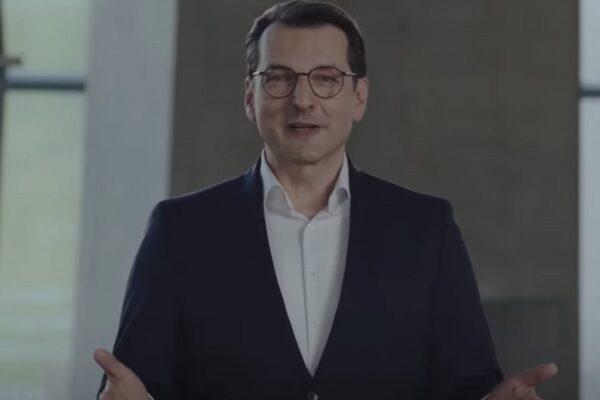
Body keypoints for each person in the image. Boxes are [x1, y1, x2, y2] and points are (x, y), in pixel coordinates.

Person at [95, 1, 558, 399]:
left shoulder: (426, 230)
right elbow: (132, 385)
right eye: (279, 78)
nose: (303, 99)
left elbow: (468, 386)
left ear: (359, 97)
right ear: (250, 98)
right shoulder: (181, 232)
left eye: (327, 78)